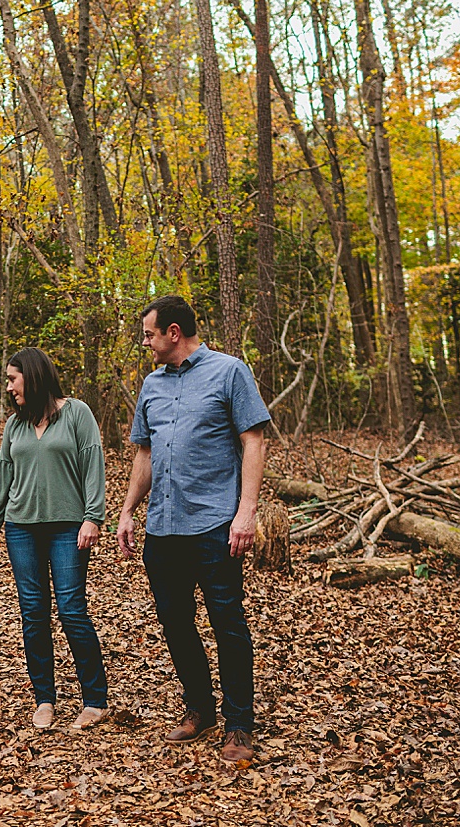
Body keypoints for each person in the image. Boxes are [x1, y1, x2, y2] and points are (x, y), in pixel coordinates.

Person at [116, 295, 270, 764]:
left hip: (214, 525)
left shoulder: (229, 372)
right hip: (162, 528)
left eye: (149, 334)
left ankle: (239, 723)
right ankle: (200, 709)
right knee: (176, 624)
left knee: (228, 624)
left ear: (174, 332)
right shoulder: (151, 385)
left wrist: (245, 513)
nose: (146, 342)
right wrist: (126, 511)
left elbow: (254, 440)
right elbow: (144, 453)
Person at [0, 347, 109, 730]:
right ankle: (45, 698)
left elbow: (94, 466)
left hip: (67, 529)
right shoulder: (15, 425)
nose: (8, 387)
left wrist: (93, 517)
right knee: (34, 615)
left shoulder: (77, 413)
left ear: (34, 376)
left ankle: (95, 699)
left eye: (12, 379)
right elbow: (1, 483)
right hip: (21, 529)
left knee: (72, 611)